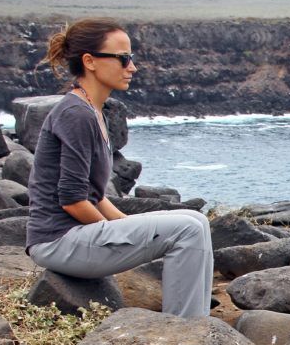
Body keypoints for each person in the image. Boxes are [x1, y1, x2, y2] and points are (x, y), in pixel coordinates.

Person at [26, 18, 213, 318]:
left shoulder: (93, 111)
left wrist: (129, 228)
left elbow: (96, 196)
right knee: (186, 230)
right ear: (90, 62)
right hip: (58, 242)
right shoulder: (76, 114)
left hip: (75, 236)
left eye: (131, 58)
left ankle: (197, 324)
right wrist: (118, 232)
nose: (132, 67)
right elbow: (72, 199)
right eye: (123, 58)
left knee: (195, 220)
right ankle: (183, 332)